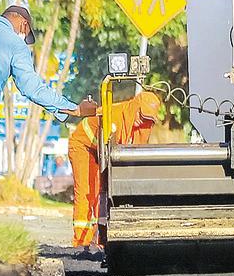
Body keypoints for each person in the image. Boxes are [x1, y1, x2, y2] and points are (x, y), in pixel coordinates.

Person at [0, 5, 97, 213]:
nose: (23, 38)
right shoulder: (13, 44)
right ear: (23, 24)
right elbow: (32, 88)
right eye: (25, 35)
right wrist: (73, 109)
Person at [68, 91, 164, 250]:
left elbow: (137, 152)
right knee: (87, 191)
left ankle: (101, 240)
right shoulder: (115, 117)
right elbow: (111, 152)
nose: (142, 121)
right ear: (136, 107)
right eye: (142, 116)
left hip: (103, 150)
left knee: (102, 193)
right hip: (83, 146)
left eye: (147, 118)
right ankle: (81, 242)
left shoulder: (143, 122)